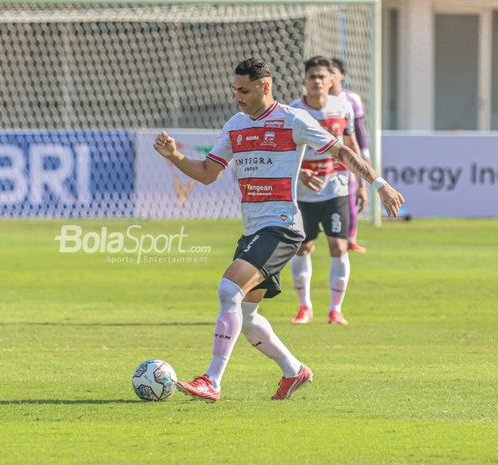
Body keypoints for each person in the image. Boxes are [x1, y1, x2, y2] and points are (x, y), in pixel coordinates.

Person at [153, 58, 404, 402]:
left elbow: (343, 151)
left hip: (282, 226)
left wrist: (379, 184)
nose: (237, 97)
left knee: (228, 290)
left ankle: (212, 379)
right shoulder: (235, 125)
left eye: (244, 90)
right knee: (247, 316)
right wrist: (176, 157)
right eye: (235, 90)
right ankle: (294, 370)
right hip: (254, 229)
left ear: (265, 86)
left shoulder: (292, 119)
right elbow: (209, 173)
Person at [289, 56, 364, 326]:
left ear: (332, 79)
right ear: (304, 81)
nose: (318, 81)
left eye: (322, 76)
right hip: (303, 193)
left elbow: (351, 144)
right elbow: (284, 152)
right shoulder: (294, 112)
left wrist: (362, 183)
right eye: (312, 77)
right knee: (303, 247)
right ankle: (304, 307)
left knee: (338, 245)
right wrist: (301, 174)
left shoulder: (343, 107)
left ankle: (335, 309)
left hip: (337, 189)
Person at [330, 57, 370, 253]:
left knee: (351, 190)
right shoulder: (313, 101)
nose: (329, 76)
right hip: (320, 158)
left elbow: (359, 130)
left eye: (332, 72)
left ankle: (350, 239)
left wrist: (364, 153)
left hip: (344, 154)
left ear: (341, 75)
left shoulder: (351, 99)